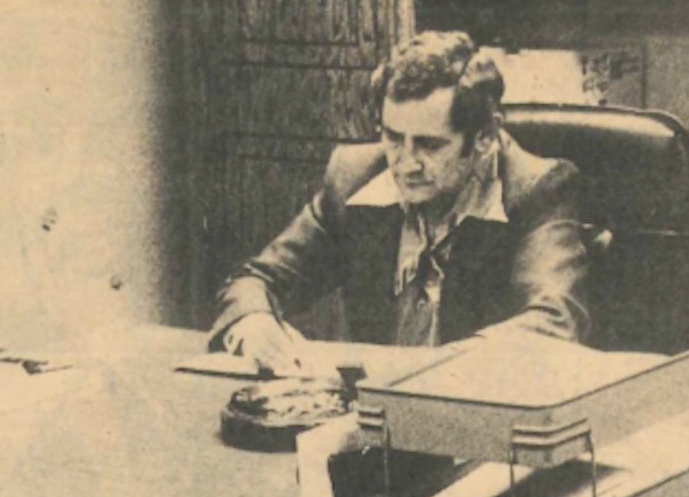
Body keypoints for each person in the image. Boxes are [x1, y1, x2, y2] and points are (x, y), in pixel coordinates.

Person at [208, 31, 591, 370]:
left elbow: (555, 322)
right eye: (393, 138)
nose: (406, 164)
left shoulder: (538, 187)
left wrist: (420, 367)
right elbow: (255, 279)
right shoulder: (354, 177)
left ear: (484, 137)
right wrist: (253, 322)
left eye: (429, 144)